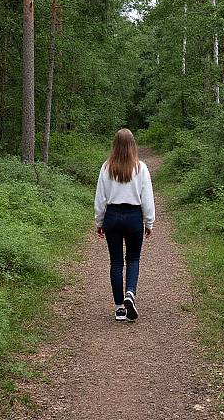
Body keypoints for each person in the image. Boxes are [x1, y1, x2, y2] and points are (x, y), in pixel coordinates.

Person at [94, 128, 155, 321]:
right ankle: (130, 293)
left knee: (116, 262)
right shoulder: (141, 168)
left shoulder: (106, 167)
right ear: (132, 145)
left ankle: (120, 307)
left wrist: (99, 221)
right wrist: (149, 222)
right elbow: (147, 198)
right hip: (133, 216)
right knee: (133, 259)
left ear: (115, 145)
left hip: (112, 215)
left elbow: (100, 198)